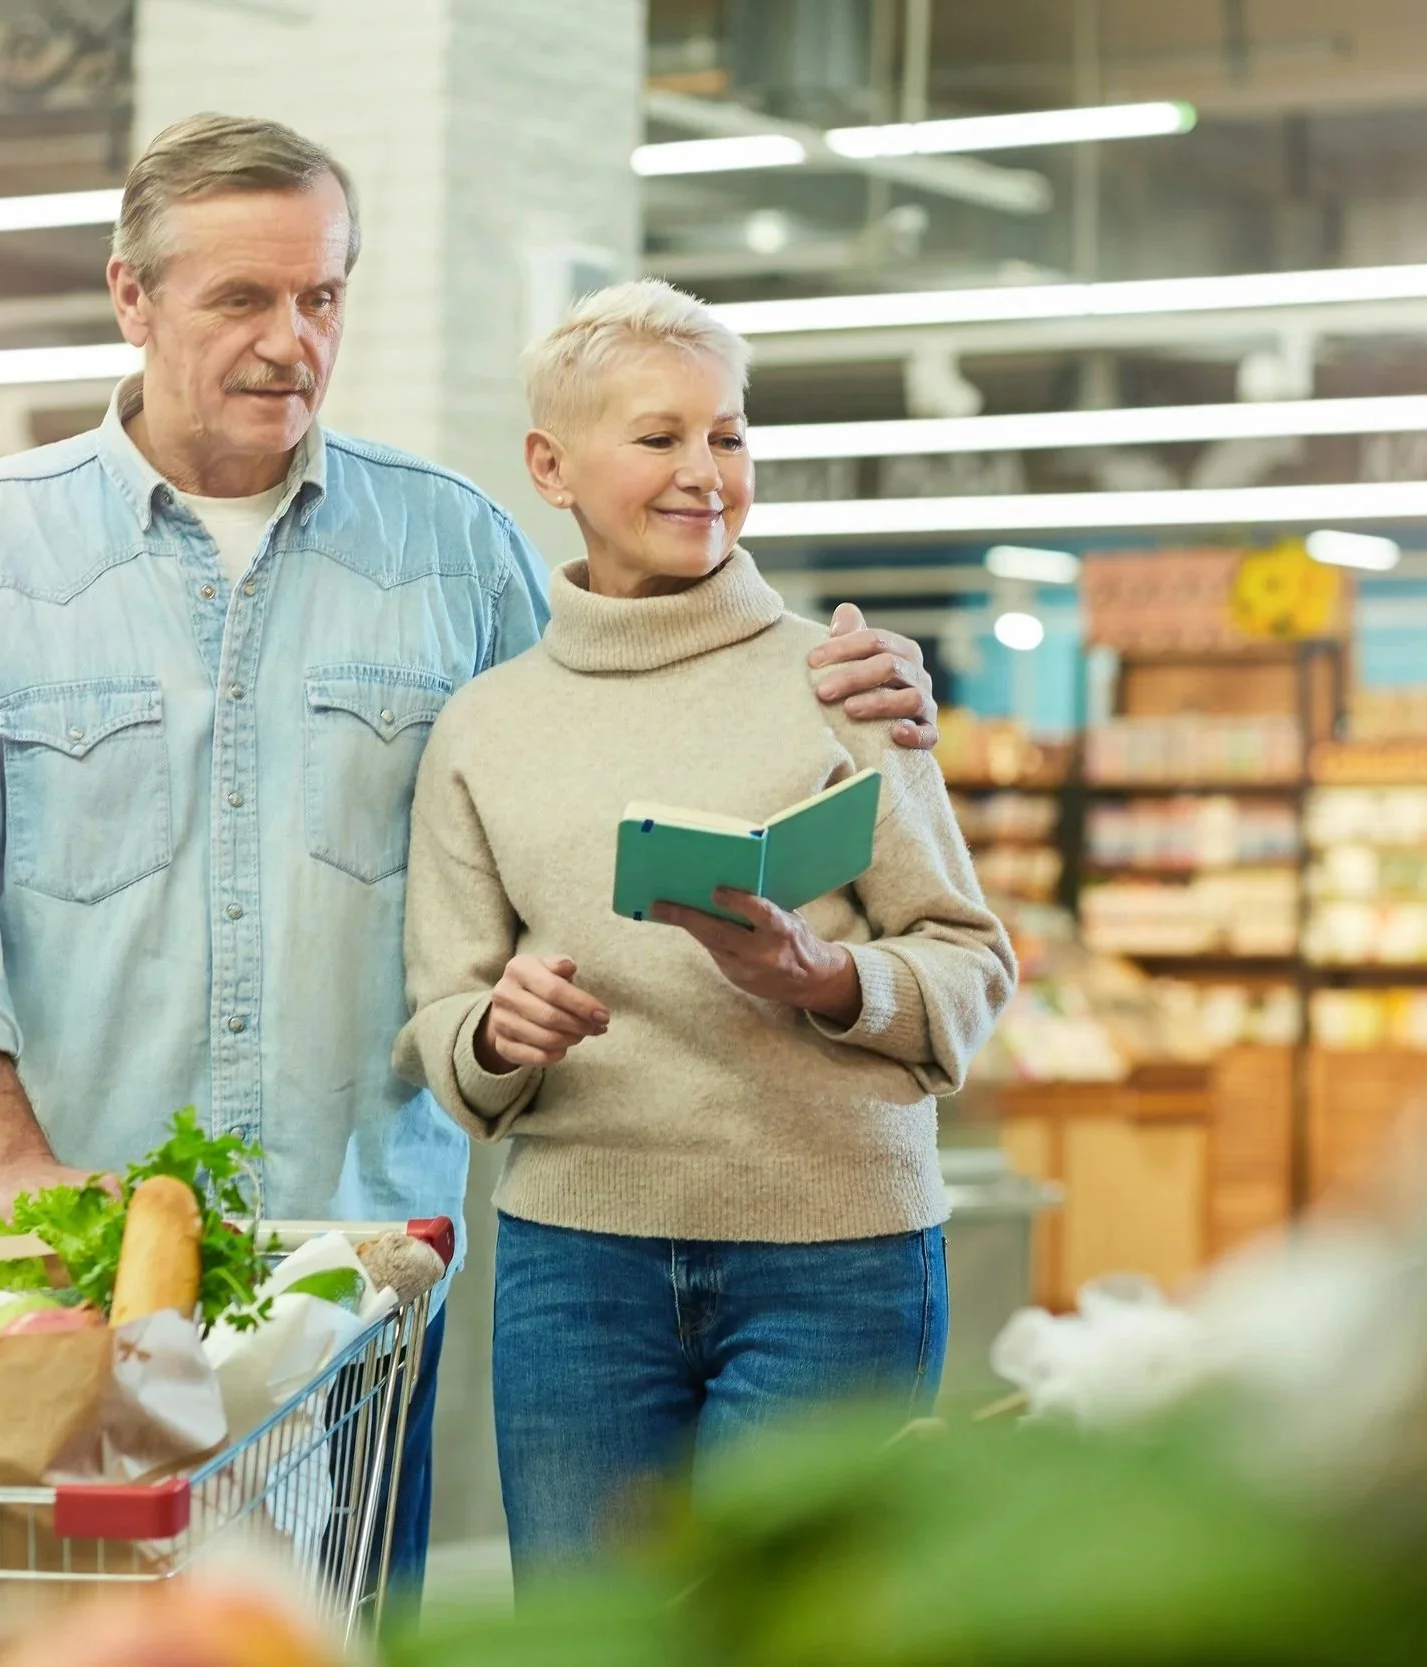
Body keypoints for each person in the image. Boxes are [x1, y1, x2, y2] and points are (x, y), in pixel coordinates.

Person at [0, 116, 943, 1589]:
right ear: (132, 297)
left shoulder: (453, 550)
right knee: (74, 1627)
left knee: (340, 1622)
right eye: (240, 298)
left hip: (357, 1265)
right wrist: (17, 1169)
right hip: (79, 1254)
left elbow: (636, 705)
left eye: (322, 297)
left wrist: (853, 686)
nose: (289, 340)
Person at [393, 280, 1016, 1578]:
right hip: (578, 1265)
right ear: (549, 465)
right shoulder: (485, 727)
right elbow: (441, 1015)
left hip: (835, 1260)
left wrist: (822, 974)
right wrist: (498, 1030)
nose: (704, 474)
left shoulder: (842, 682)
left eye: (727, 436)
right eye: (659, 436)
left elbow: (967, 954)